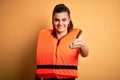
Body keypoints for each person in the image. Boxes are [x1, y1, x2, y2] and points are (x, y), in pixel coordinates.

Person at [35, 4, 89, 80]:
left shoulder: (76, 36)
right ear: (53, 20)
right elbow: (40, 63)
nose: (60, 24)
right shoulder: (44, 36)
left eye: (64, 20)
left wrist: (82, 45)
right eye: (57, 20)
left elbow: (85, 54)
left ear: (68, 20)